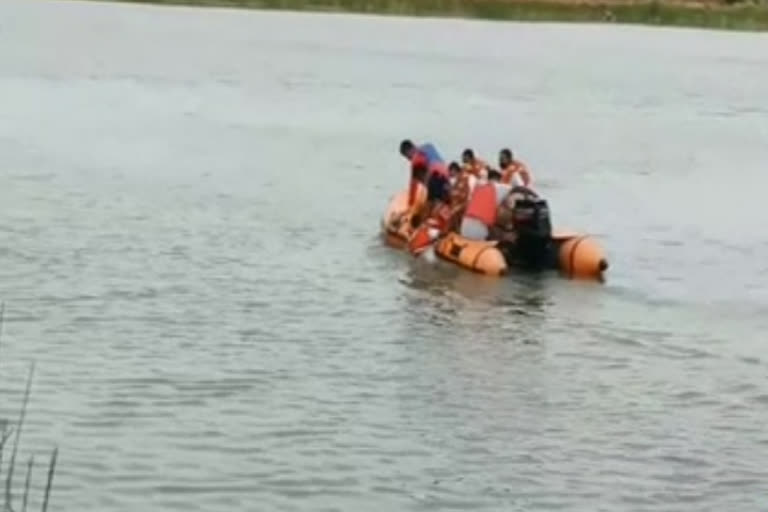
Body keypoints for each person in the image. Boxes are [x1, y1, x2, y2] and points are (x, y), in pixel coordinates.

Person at [459, 174, 513, 241]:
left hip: (464, 226)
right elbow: (515, 189)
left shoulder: (480, 188)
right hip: (478, 232)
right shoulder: (502, 189)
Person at [400, 139, 451, 207]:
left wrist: (410, 203)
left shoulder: (416, 159)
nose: (408, 159)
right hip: (446, 178)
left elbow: (413, 184)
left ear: (409, 150)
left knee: (429, 204)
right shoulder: (428, 146)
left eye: (407, 156)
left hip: (436, 180)